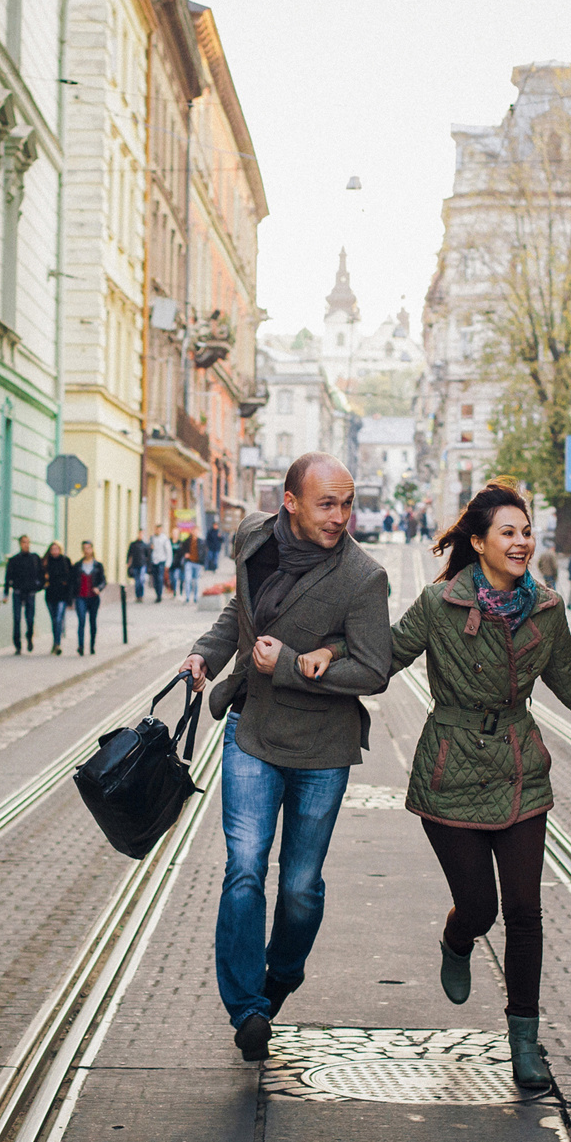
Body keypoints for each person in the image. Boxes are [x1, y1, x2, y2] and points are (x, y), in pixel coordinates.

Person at [301, 485, 571, 1099]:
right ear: (480, 543)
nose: (521, 542)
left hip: (519, 772)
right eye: (508, 533)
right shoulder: (440, 603)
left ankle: (523, 1043)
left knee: (525, 913)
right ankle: (456, 938)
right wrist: (328, 651)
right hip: (450, 772)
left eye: (526, 531)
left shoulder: (546, 609)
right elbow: (386, 656)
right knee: (480, 909)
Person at [180, 453, 392, 1065]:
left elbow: (374, 670)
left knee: (299, 886)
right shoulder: (253, 537)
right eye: (328, 503)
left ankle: (282, 977)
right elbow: (238, 617)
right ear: (289, 503)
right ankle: (246, 1007)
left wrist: (297, 664)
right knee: (244, 867)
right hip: (251, 729)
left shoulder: (362, 578)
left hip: (322, 747)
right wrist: (204, 657)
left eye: (347, 504)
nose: (341, 516)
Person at [4, 534, 44, 654]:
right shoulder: (14, 560)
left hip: (30, 592)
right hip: (17, 592)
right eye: (23, 542)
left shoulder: (35, 558)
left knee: (30, 619)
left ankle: (29, 637)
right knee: (16, 618)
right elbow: (8, 577)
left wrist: (39, 586)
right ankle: (17, 644)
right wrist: (6, 594)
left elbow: (41, 574)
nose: (26, 545)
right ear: (20, 544)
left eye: (27, 542)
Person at [72, 540, 105, 654]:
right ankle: (80, 646)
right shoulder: (78, 565)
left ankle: (92, 645)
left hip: (93, 597)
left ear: (92, 549)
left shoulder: (98, 565)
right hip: (81, 597)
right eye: (84, 548)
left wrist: (98, 588)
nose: (86, 551)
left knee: (92, 622)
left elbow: (103, 581)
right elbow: (73, 581)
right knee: (81, 621)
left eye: (88, 548)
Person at [43, 540, 75, 654]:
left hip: (62, 595)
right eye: (52, 549)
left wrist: (70, 598)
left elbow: (71, 579)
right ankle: (55, 642)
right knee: (54, 620)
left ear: (60, 550)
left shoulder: (65, 561)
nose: (54, 551)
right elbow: (41, 576)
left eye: (56, 549)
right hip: (50, 595)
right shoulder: (47, 562)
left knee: (58, 619)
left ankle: (57, 644)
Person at [148, 524, 172, 602]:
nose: (157, 531)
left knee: (160, 578)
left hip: (161, 561)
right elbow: (149, 549)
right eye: (156, 529)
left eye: (159, 529)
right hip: (154, 561)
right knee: (154, 579)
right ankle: (157, 593)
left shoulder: (164, 539)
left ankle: (159, 595)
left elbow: (169, 552)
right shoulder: (152, 538)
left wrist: (168, 564)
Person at [126, 531, 152, 602]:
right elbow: (129, 554)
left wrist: (148, 566)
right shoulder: (133, 544)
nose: (140, 535)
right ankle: (138, 596)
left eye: (142, 534)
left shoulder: (145, 545)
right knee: (137, 581)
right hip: (135, 565)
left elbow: (148, 556)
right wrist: (128, 563)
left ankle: (141, 595)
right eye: (139, 534)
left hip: (142, 565)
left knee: (141, 580)